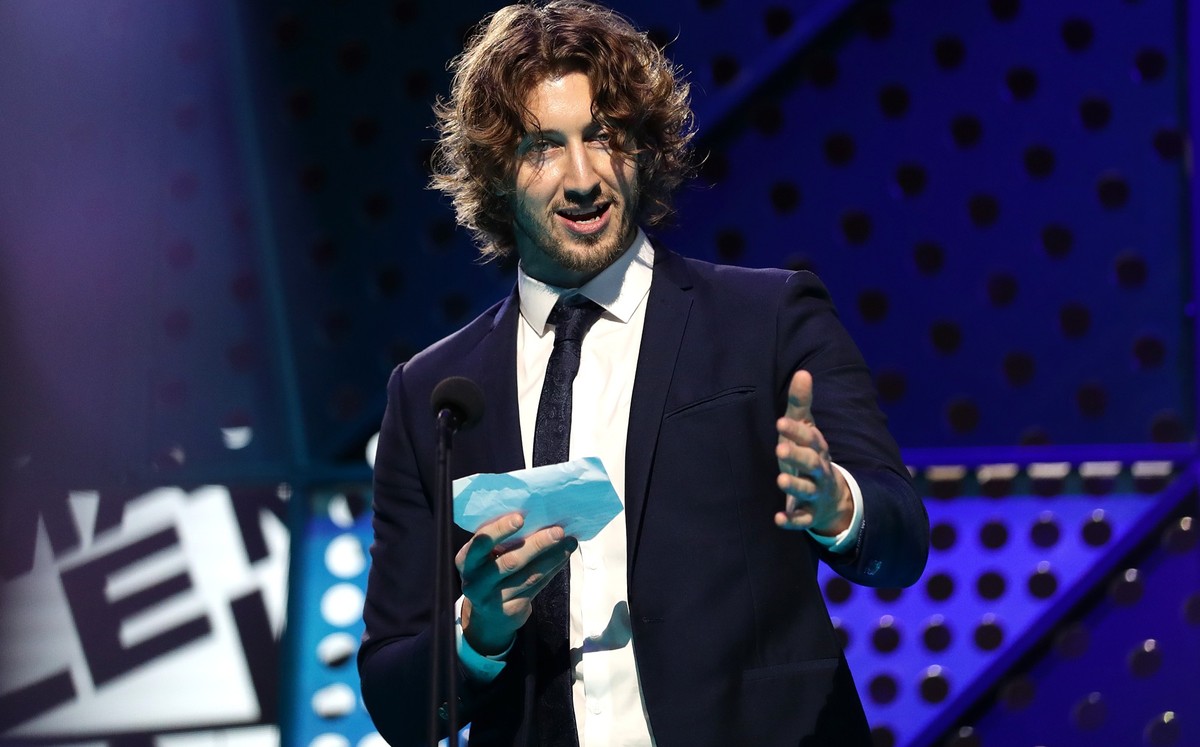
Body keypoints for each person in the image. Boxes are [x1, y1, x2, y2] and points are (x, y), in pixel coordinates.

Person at [358, 2, 929, 745]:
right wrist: (479, 634)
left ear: (644, 146)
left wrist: (837, 505)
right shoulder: (431, 394)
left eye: (605, 136)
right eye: (543, 147)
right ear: (497, 173)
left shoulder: (767, 316)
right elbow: (399, 700)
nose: (584, 176)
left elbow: (901, 536)